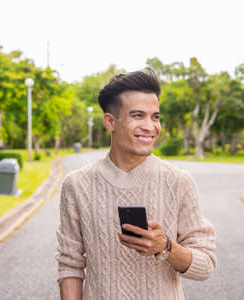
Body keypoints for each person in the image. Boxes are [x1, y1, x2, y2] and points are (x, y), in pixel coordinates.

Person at [55, 70, 216, 300]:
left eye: (156, 117)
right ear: (110, 122)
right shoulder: (76, 185)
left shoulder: (178, 181)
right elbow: (70, 265)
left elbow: (206, 265)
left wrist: (165, 247)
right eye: (138, 116)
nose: (151, 127)